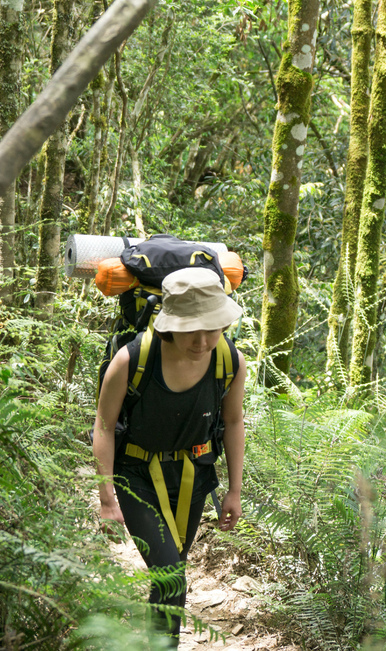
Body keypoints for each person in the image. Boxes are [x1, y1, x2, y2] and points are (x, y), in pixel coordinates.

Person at [93, 267, 247, 646]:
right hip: (136, 476)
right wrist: (106, 496)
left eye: (212, 328)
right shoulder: (133, 360)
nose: (202, 340)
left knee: (172, 574)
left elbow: (233, 421)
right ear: (169, 324)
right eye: (191, 328)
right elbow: (103, 425)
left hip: (193, 479)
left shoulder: (229, 361)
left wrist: (235, 490)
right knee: (170, 575)